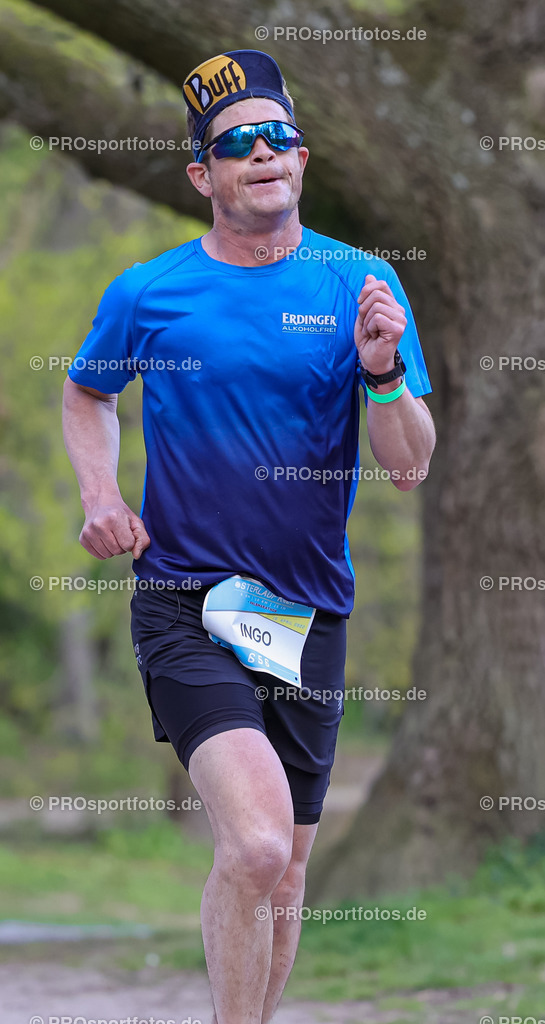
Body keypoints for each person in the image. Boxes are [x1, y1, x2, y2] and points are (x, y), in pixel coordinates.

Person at [62, 48, 435, 1024]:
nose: (263, 154)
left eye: (280, 139)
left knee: (286, 870)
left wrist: (383, 369)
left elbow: (408, 461)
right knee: (259, 844)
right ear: (203, 175)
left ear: (303, 161)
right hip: (187, 599)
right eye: (238, 145)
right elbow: (85, 391)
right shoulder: (150, 292)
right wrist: (100, 492)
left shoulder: (361, 285)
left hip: (307, 609)